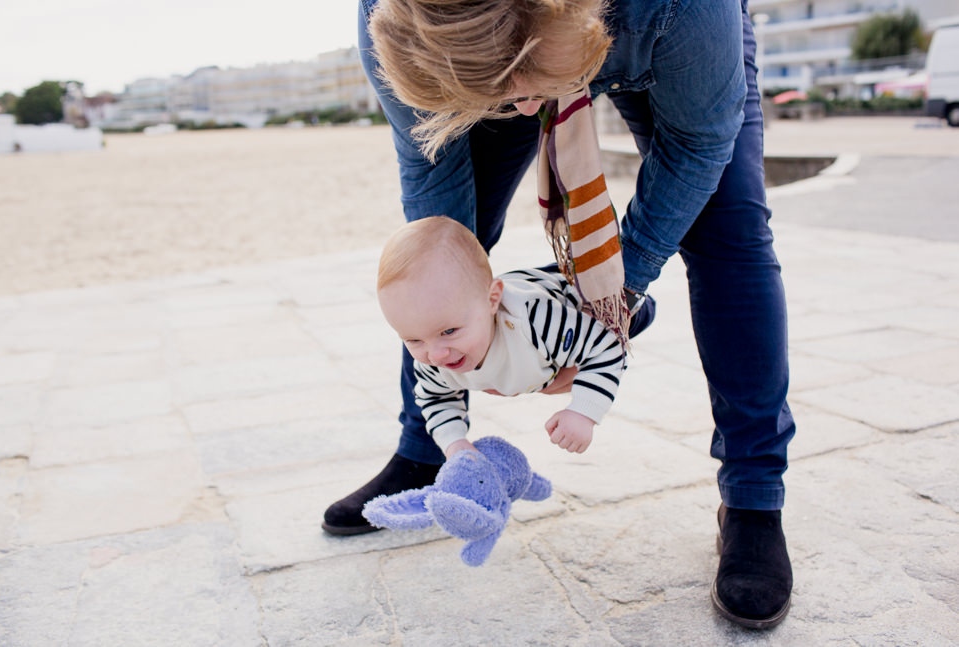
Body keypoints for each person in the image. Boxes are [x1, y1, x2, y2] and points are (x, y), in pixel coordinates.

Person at [324, 0, 795, 630]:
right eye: (501, 99)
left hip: (650, 27)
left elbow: (699, 144)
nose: (523, 115)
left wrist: (615, 296)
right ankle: (431, 451)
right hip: (491, 47)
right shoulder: (400, 28)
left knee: (728, 233)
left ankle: (754, 497)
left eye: (516, 92)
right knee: (442, 261)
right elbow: (435, 218)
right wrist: (467, 352)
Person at [377, 216, 629, 458]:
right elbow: (434, 398)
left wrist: (583, 413)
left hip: (578, 301)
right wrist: (455, 443)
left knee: (631, 292)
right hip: (543, 350)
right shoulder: (432, 358)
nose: (436, 354)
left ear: (492, 300)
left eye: (449, 331)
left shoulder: (532, 319)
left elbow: (606, 348)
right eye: (413, 340)